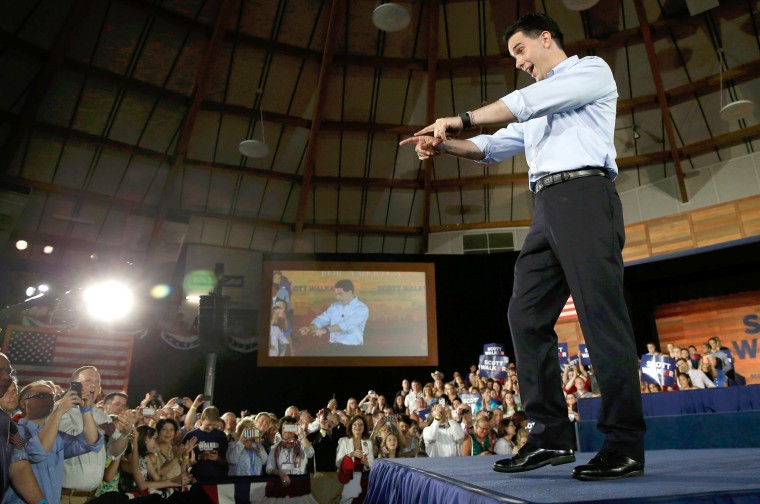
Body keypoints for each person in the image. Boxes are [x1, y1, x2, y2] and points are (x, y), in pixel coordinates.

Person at [400, 12, 645, 481]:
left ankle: (624, 444)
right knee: (525, 316)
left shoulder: (590, 71)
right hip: (546, 207)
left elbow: (525, 104)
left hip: (586, 198)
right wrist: (445, 142)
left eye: (520, 51)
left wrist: (460, 118)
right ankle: (550, 437)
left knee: (601, 316)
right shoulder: (534, 105)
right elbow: (492, 145)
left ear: (545, 38)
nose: (519, 62)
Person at [4, 381, 103, 504]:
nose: (49, 400)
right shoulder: (12, 431)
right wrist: (59, 411)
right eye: (41, 396)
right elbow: (37, 452)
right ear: (24, 403)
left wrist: (86, 409)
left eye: (51, 396)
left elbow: (91, 442)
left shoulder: (57, 436)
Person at [60, 365, 135, 503]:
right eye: (88, 380)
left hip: (94, 497)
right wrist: (110, 427)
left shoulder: (103, 416)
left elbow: (114, 452)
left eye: (97, 382)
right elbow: (79, 441)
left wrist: (125, 433)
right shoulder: (61, 410)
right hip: (66, 497)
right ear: (74, 384)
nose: (94, 385)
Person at [0, 354, 46, 503]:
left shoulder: (8, 424)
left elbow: (19, 466)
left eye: (9, 371)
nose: (7, 377)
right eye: (1, 370)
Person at [298, 280, 370, 347]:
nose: (337, 297)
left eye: (340, 294)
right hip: (332, 347)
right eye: (336, 294)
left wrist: (324, 330)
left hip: (352, 350)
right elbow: (322, 319)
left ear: (350, 293)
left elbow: (345, 325)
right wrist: (310, 328)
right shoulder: (334, 306)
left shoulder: (361, 308)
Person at [182, 405, 228, 481]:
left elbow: (226, 462)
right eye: (208, 424)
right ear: (201, 420)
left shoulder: (221, 436)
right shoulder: (191, 436)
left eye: (214, 425)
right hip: (195, 478)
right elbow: (181, 460)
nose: (210, 427)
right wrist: (200, 457)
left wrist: (217, 458)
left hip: (217, 478)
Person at [335, 415, 373, 504]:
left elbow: (371, 463)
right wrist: (350, 455)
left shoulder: (368, 442)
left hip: (362, 480)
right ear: (351, 426)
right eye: (355, 424)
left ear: (364, 427)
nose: (358, 427)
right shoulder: (343, 441)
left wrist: (367, 463)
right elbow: (338, 462)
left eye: (361, 424)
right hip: (347, 479)